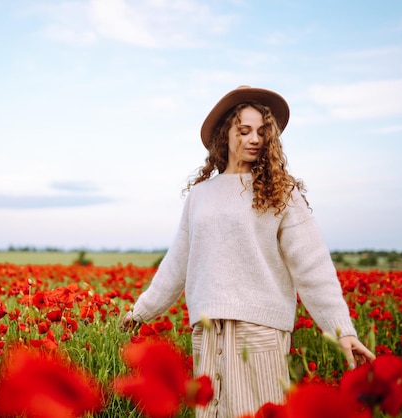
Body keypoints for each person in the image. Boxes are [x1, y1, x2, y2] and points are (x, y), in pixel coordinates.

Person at [121, 85, 375, 418]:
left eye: (261, 132)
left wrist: (343, 331)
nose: (254, 139)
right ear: (224, 134)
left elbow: (312, 267)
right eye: (244, 130)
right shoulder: (200, 195)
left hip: (260, 331)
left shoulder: (281, 192)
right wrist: (140, 313)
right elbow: (177, 264)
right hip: (208, 330)